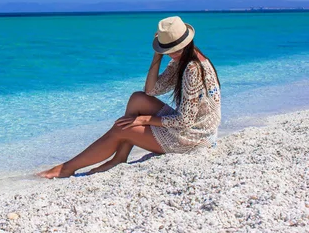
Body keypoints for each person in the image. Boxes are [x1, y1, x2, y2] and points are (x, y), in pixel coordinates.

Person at [38, 16, 221, 179]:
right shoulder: (186, 59)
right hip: (196, 128)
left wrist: (144, 120)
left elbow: (185, 121)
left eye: (174, 49)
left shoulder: (192, 69)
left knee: (122, 129)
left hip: (195, 138)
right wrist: (157, 55)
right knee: (137, 99)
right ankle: (120, 157)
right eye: (168, 49)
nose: (172, 53)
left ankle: (67, 168)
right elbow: (150, 90)